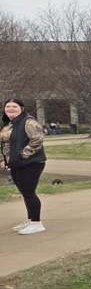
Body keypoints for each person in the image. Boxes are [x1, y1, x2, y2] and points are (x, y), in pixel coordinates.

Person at [1, 98, 47, 235]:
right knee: (25, 192)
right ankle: (30, 219)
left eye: (14, 106)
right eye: (8, 106)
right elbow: (6, 143)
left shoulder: (28, 122)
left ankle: (37, 223)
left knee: (29, 192)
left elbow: (37, 140)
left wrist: (22, 155)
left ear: (21, 108)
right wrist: (6, 160)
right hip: (16, 163)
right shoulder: (9, 124)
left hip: (32, 163)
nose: (10, 109)